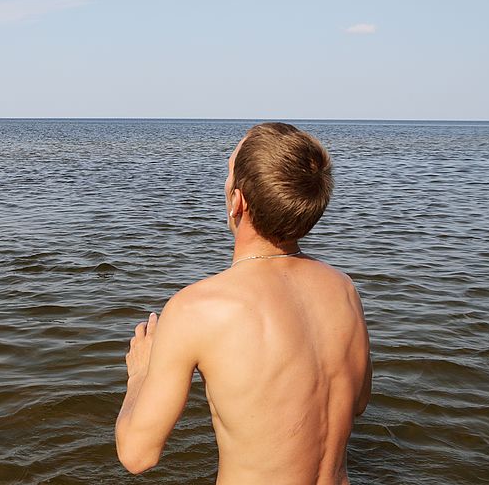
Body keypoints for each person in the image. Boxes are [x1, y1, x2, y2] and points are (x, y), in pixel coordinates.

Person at [115, 122, 372, 484]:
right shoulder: (344, 290)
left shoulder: (198, 308)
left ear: (237, 201)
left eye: (228, 169)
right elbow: (358, 403)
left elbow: (137, 455)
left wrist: (139, 378)